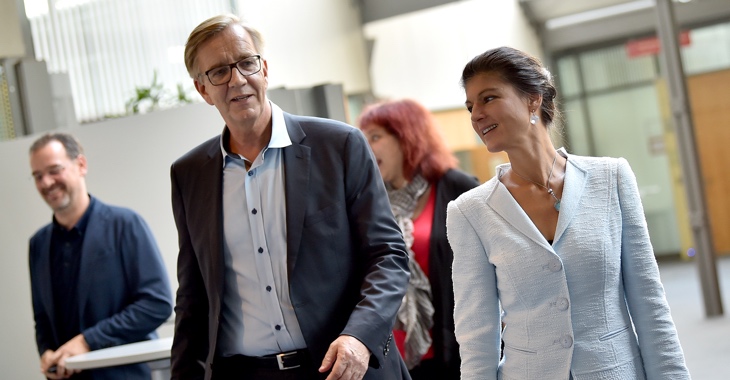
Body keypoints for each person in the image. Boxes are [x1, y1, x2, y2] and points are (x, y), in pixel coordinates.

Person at [170, 14, 411, 380]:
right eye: (219, 71)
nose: (237, 79)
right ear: (202, 90)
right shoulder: (190, 175)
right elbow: (192, 297)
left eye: (246, 63)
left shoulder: (339, 145)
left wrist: (359, 336)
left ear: (264, 68)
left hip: (342, 367)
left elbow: (387, 256)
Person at [446, 46, 690, 379]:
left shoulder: (611, 178)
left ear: (533, 99)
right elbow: (477, 333)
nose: (476, 115)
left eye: (488, 98)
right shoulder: (469, 212)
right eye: (470, 106)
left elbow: (649, 302)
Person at [28, 133, 174, 380]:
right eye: (38, 176)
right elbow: (42, 319)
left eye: (54, 170)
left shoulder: (125, 224)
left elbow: (156, 304)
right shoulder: (38, 244)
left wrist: (87, 342)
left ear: (81, 165)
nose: (46, 182)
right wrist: (47, 353)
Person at [357, 99, 479, 379]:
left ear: (408, 138)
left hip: (452, 348)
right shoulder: (370, 199)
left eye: (375, 137)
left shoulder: (457, 187)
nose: (367, 147)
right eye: (363, 139)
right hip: (392, 354)